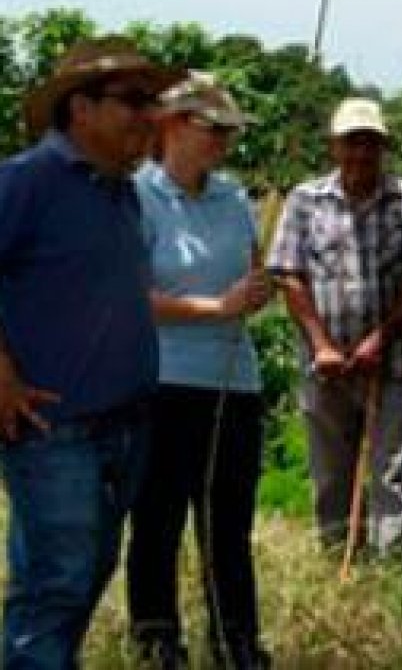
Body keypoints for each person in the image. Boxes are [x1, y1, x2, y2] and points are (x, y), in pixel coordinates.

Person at [0, 36, 179, 667]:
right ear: (80, 108)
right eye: (133, 101)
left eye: (152, 102)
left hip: (123, 423)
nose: (150, 116)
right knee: (58, 583)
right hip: (57, 429)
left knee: (85, 576)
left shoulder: (119, 191)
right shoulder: (28, 181)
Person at [125, 72, 272, 669]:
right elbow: (130, 297)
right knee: (157, 519)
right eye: (213, 128)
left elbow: (250, 271)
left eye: (230, 131)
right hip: (162, 382)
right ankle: (157, 641)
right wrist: (218, 307)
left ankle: (237, 641)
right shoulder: (137, 197)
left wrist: (258, 290)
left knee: (228, 526)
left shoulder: (235, 198)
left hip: (234, 383)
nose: (224, 141)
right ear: (173, 126)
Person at [266, 97, 402, 557]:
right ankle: (336, 558)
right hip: (322, 362)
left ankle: (394, 567)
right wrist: (322, 344)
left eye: (369, 143)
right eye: (351, 143)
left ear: (383, 146)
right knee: (331, 470)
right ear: (333, 146)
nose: (360, 153)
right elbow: (287, 273)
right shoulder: (305, 201)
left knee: (391, 469)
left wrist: (380, 340)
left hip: (390, 360)